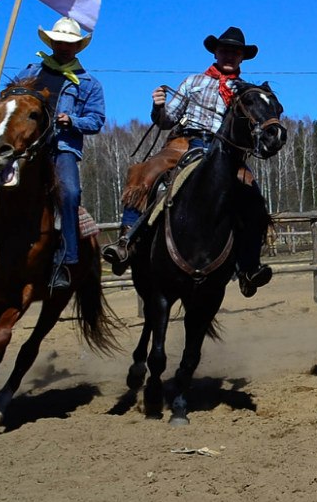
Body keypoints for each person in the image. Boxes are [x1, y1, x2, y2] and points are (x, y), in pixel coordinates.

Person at [102, 27, 275, 298]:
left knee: (253, 197)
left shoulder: (247, 93)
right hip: (185, 144)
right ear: (216, 52)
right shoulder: (193, 82)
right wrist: (158, 107)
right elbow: (167, 119)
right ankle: (126, 240)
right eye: (225, 49)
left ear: (242, 57)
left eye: (235, 51)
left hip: (227, 154)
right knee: (144, 173)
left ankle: (248, 265)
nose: (229, 54)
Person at [0, 17, 105, 291]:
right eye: (60, 42)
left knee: (70, 194)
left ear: (78, 47)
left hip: (60, 147)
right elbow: (8, 102)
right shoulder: (30, 71)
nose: (64, 47)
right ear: (52, 43)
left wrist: (72, 120)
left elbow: (97, 120)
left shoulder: (88, 84)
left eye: (70, 43)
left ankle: (67, 260)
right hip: (20, 146)